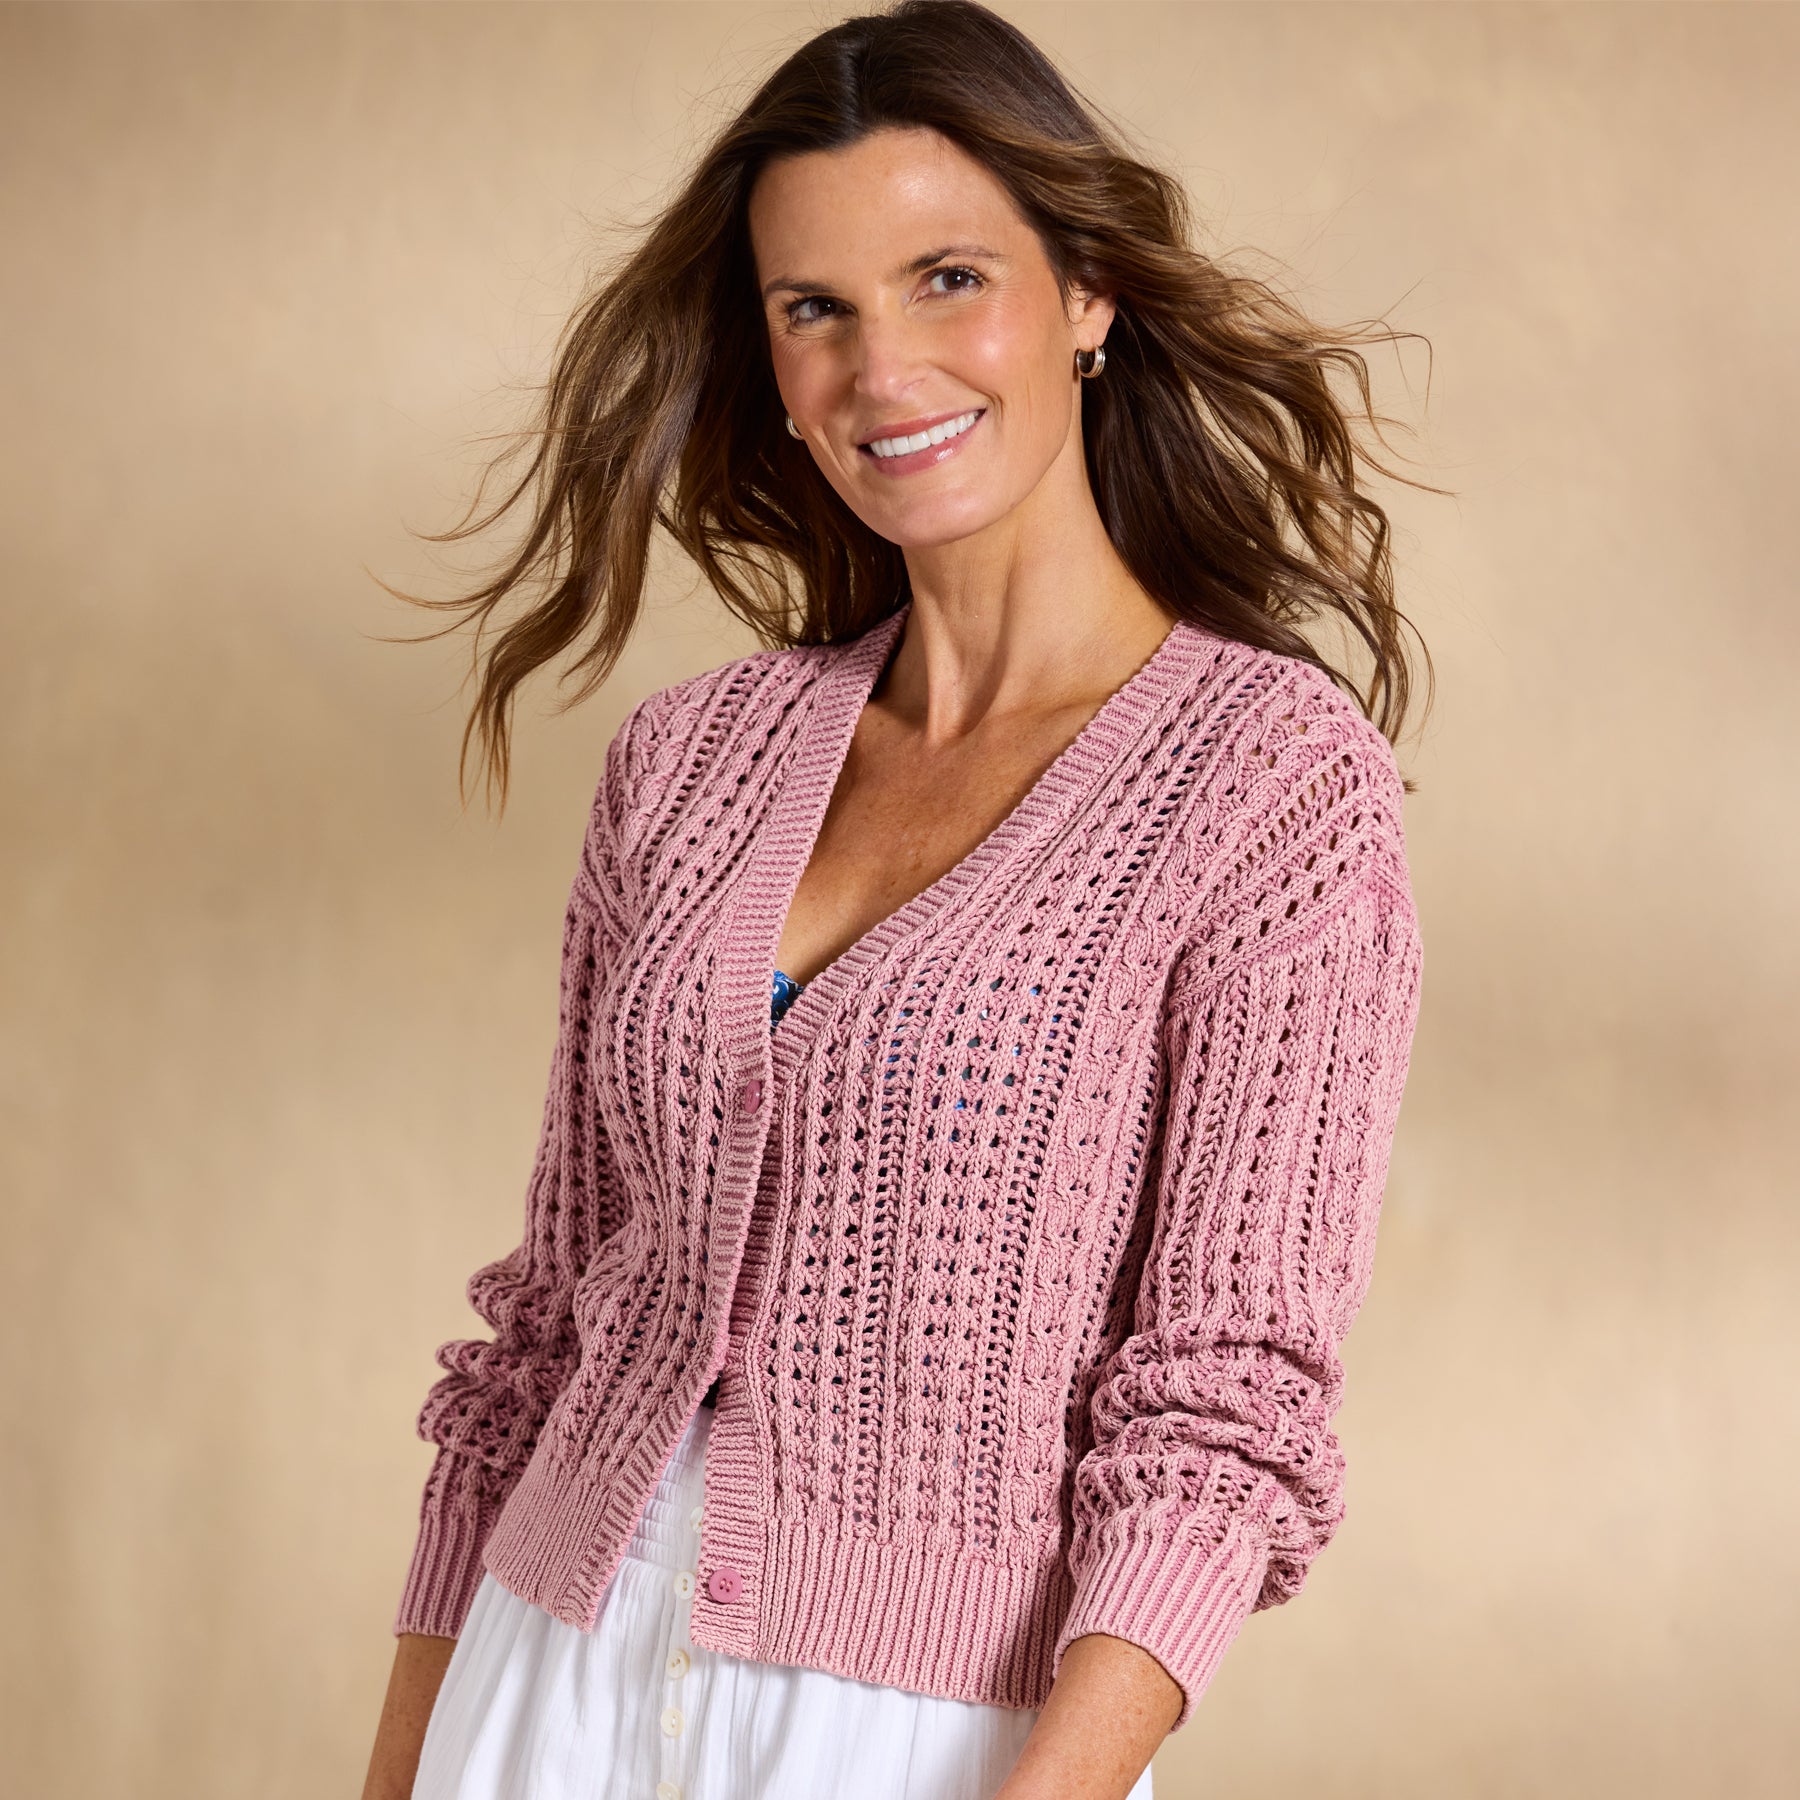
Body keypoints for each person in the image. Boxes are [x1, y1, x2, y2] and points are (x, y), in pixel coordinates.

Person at [361, 3, 1434, 1796]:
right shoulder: (687, 763)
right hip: (544, 1675)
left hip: (924, 1733)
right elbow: (542, 1333)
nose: (883, 369)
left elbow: (1225, 1412)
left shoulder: (1269, 783)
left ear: (1087, 294)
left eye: (949, 279)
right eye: (816, 308)